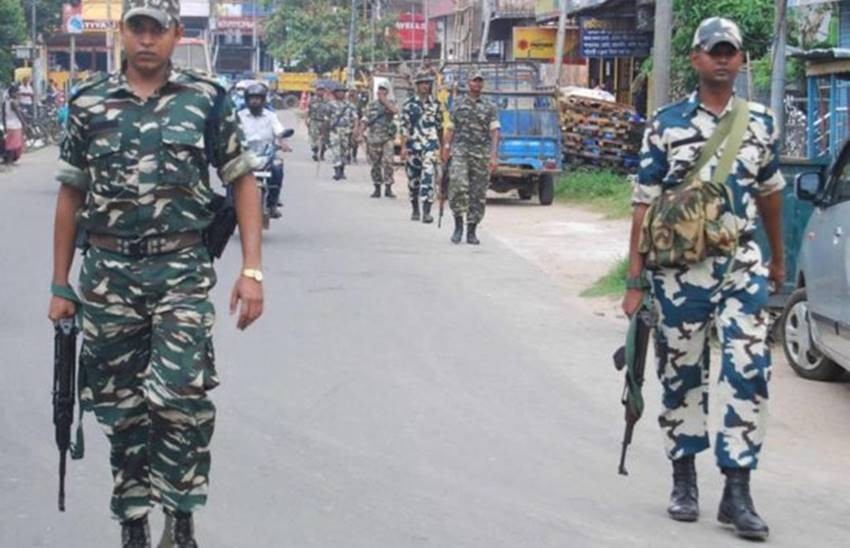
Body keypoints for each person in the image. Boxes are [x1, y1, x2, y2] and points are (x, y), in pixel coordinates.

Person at [46, 0, 264, 545]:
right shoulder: (88, 102)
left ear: (175, 35)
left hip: (181, 272)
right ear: (122, 34)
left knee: (179, 399)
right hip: (108, 277)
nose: (146, 38)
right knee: (120, 410)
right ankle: (134, 521)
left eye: (157, 29)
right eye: (137, 28)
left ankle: (180, 513)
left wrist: (252, 271)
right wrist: (59, 284)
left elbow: (242, 181)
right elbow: (71, 194)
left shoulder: (205, 100)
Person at [622, 18, 784, 541]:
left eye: (730, 52)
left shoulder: (760, 122)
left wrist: (778, 259)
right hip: (679, 273)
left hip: (741, 265)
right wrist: (634, 281)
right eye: (714, 51)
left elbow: (771, 194)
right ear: (695, 58)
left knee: (748, 368)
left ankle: (737, 490)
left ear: (740, 60)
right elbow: (643, 205)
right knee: (681, 373)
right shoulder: (666, 124)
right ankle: (684, 480)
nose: (722, 59)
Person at [441, 72, 500, 245]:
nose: (477, 84)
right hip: (460, 151)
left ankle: (472, 230)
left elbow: (495, 131)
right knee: (457, 186)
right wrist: (446, 148)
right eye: (475, 80)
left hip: (481, 154)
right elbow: (450, 128)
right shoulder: (458, 104)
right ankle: (458, 226)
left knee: (478, 192)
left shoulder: (490, 106)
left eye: (480, 81)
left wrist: (493, 155)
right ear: (468, 83)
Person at [238, 82, 288, 218]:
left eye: (258, 98)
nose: (255, 101)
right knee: (232, 172)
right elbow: (232, 131)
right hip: (244, 153)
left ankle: (272, 204)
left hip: (266, 153)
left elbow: (279, 130)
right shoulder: (239, 116)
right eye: (252, 98)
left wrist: (283, 141)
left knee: (277, 167)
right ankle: (231, 202)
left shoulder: (270, 116)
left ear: (263, 100)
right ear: (247, 100)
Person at [401, 70, 444, 223]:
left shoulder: (436, 105)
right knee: (413, 180)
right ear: (417, 85)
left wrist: (442, 147)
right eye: (422, 83)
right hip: (413, 146)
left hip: (430, 146)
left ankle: (426, 211)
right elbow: (404, 127)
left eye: (428, 83)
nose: (425, 86)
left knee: (428, 177)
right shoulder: (408, 105)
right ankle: (415, 209)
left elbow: (440, 127)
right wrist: (403, 147)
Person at [360, 82, 398, 198]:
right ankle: (377, 187)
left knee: (388, 162)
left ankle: (388, 187)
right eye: (380, 89)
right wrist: (360, 134)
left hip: (387, 137)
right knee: (375, 163)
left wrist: (384, 101)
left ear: (387, 91)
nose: (381, 91)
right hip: (374, 137)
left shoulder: (390, 103)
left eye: (384, 89)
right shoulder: (371, 105)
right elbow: (365, 119)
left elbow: (394, 111)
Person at [326, 82, 357, 181]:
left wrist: (355, 129)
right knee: (336, 151)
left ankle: (342, 170)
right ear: (335, 93)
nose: (341, 93)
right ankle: (337, 171)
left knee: (344, 151)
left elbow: (355, 118)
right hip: (335, 130)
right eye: (339, 91)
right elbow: (326, 118)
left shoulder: (350, 105)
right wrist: (324, 132)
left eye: (343, 91)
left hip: (346, 130)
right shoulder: (330, 105)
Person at [3, 85, 26, 164]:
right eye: (17, 92)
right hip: (15, 125)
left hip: (8, 125)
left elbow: (3, 116)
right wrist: (24, 123)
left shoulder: (5, 102)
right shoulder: (13, 102)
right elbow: (18, 114)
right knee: (14, 144)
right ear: (13, 93)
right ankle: (10, 161)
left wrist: (5, 125)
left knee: (9, 143)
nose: (19, 94)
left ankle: (9, 160)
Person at [307, 83, 328, 162]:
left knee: (324, 139)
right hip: (314, 121)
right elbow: (308, 110)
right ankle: (315, 151)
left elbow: (329, 111)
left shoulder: (326, 101)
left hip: (324, 122)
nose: (320, 92)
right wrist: (307, 119)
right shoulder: (312, 100)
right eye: (319, 90)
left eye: (322, 90)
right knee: (313, 137)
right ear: (316, 91)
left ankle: (322, 153)